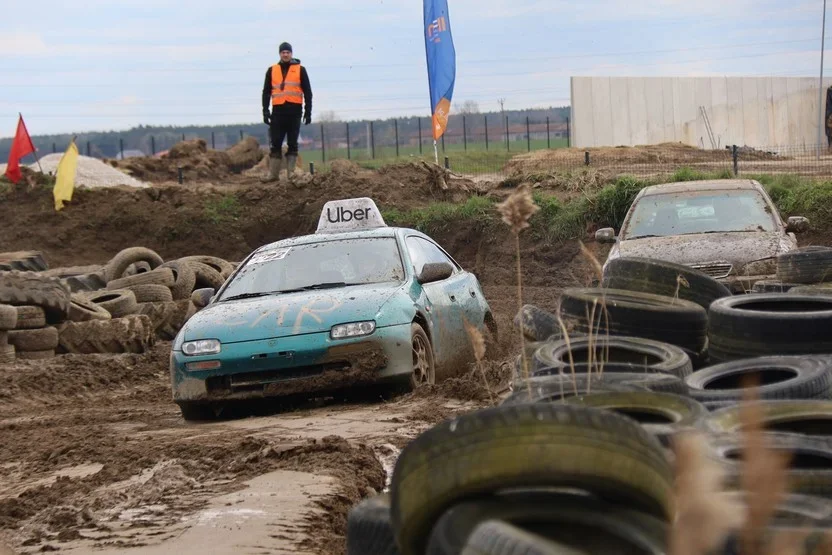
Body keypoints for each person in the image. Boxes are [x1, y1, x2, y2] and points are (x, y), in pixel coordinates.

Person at [261, 42, 312, 182]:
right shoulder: (272, 70)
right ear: (279, 54)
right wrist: (265, 110)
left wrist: (308, 111)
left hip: (294, 111)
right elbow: (266, 92)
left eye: (287, 52)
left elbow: (308, 92)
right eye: (283, 52)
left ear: (291, 53)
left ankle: (291, 174)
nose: (285, 54)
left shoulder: (300, 70)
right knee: (275, 143)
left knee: (292, 142)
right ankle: (273, 175)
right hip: (278, 111)